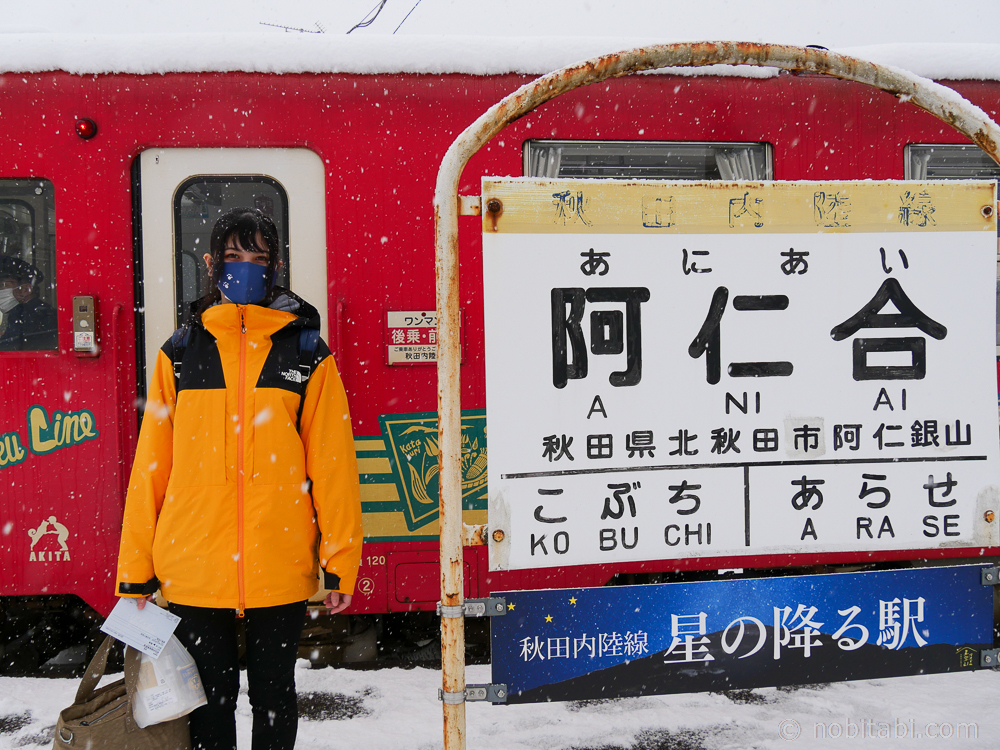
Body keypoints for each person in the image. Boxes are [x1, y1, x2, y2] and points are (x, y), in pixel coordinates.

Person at [115, 207, 362, 750]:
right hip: (194, 564)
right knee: (209, 703)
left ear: (275, 267)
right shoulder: (180, 353)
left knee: (275, 697)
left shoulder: (306, 354)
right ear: (210, 264)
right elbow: (151, 466)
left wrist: (341, 562)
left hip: (280, 562)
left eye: (258, 258)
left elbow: (333, 465)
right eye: (233, 257)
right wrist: (135, 571)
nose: (246, 267)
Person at [0, 256, 57, 351]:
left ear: (26, 289)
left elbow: (10, 348)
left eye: (3, 285)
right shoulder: (38, 310)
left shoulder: (26, 314)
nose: (1, 290)